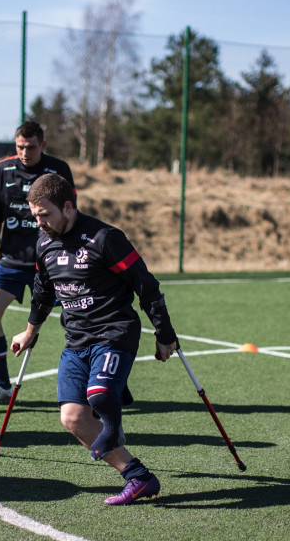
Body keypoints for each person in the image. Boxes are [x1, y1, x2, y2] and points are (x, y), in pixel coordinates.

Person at [10, 173, 178, 506]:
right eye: (35, 216)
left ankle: (112, 428)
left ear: (68, 207)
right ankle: (138, 477)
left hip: (114, 332)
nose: (40, 223)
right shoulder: (43, 244)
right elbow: (43, 292)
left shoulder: (105, 238)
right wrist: (30, 330)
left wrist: (164, 334)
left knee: (99, 394)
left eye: (45, 215)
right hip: (76, 341)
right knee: (72, 418)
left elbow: (146, 285)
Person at [0, 121, 75, 402]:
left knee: (78, 318)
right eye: (20, 147)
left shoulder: (59, 170)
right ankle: (3, 385)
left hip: (51, 261)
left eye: (30, 147)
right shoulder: (1, 170)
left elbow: (70, 214)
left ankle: (90, 384)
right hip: (11, 260)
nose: (25, 152)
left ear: (42, 145)